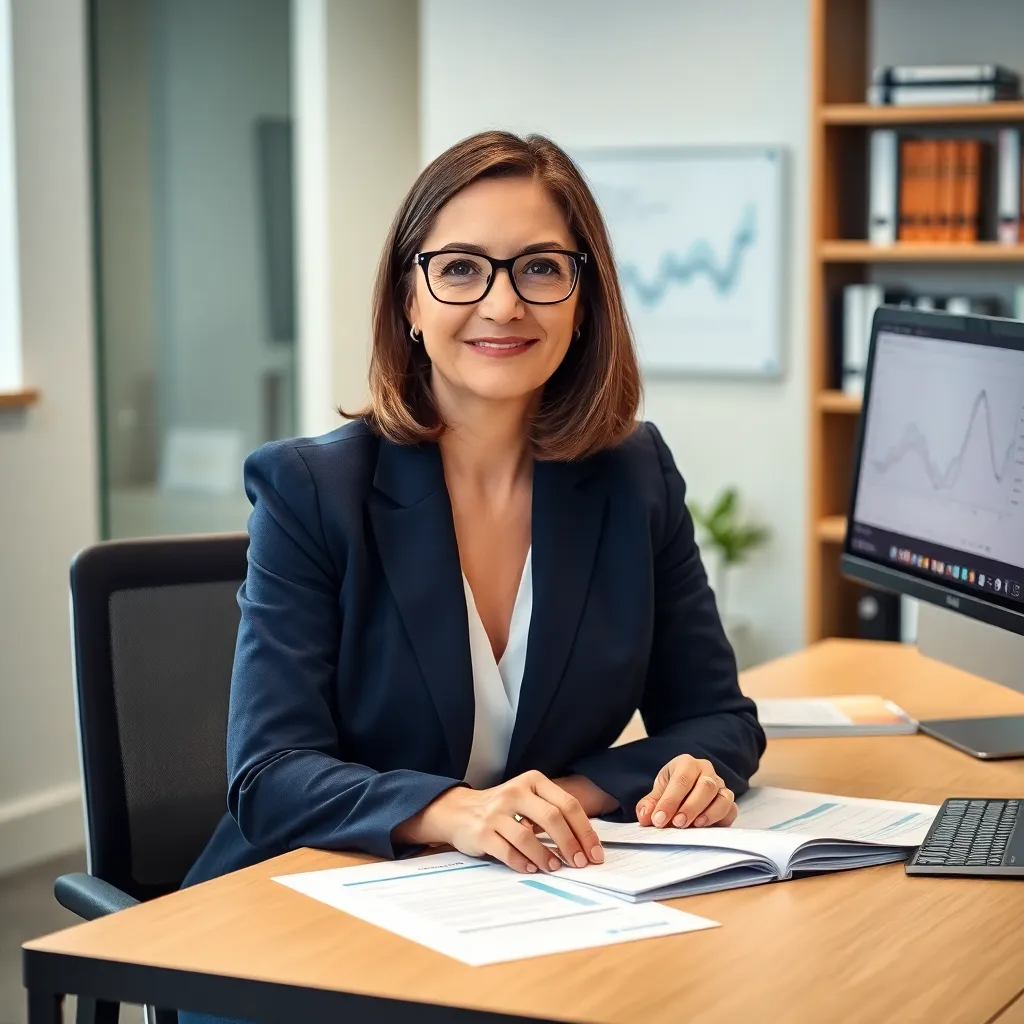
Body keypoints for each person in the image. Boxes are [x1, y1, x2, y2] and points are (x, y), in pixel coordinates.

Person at [180, 130, 764, 1022]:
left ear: (583, 299)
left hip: (520, 921)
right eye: (460, 269)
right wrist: (456, 811)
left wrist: (582, 794)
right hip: (301, 926)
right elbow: (271, 774)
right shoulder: (311, 489)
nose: (502, 303)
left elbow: (719, 719)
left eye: (539, 269)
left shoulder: (631, 473)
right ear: (410, 298)